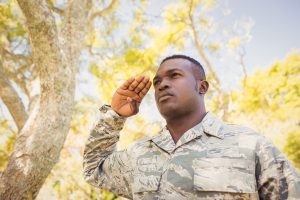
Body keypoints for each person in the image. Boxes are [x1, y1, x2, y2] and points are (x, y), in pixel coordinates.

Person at [83, 55, 300, 199]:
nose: (162, 85)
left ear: (202, 87)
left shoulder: (251, 145)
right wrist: (115, 115)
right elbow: (94, 170)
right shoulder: (139, 153)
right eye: (157, 82)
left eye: (174, 75)